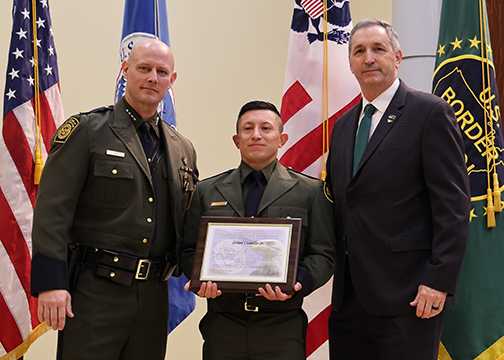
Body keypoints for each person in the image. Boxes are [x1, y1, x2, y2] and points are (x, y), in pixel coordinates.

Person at [30, 38, 198, 360]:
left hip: (153, 295)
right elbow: (52, 212)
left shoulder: (182, 149)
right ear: (125, 70)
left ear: (171, 80)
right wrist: (51, 284)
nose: (152, 78)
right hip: (95, 292)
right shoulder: (88, 130)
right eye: (144, 68)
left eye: (162, 72)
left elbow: (188, 222)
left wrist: (205, 272)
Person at [325, 18, 471, 360]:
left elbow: (453, 207)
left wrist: (439, 280)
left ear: (398, 57)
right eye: (359, 51)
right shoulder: (344, 126)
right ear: (350, 63)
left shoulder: (430, 113)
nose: (369, 58)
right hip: (350, 300)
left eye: (378, 49)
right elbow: (340, 203)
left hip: (409, 296)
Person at [180, 100, 336, 360]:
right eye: (248, 128)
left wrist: (297, 283)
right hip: (222, 324)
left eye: (266, 128)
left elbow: (324, 254)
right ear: (236, 139)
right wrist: (199, 280)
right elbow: (188, 249)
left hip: (281, 326)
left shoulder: (310, 192)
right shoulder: (207, 191)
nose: (256, 135)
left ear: (282, 138)